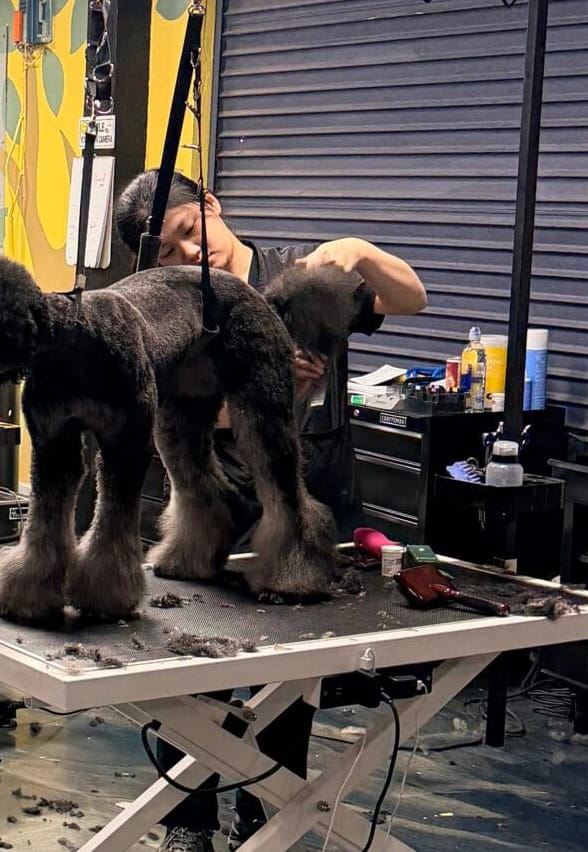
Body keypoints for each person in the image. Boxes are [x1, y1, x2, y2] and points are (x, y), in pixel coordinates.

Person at [115, 170, 427, 852]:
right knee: (188, 674)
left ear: (210, 206)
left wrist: (358, 250)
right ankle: (187, 824)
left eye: (191, 232)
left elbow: (413, 296)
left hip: (300, 499)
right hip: (210, 510)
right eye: (169, 252)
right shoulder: (170, 305)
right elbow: (157, 408)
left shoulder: (298, 276)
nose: (191, 255)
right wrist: (250, 392)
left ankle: (269, 815)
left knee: (287, 683)